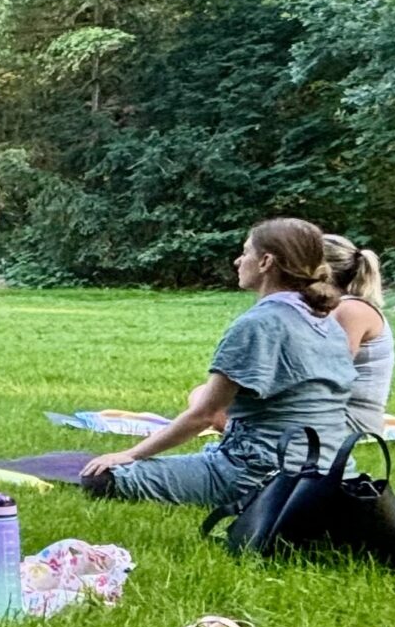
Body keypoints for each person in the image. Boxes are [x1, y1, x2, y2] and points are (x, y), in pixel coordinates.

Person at [82, 217, 357, 507]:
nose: (239, 261)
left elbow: (204, 415)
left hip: (260, 474)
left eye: (246, 252)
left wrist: (129, 455)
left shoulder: (259, 323)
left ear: (266, 262)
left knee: (102, 478)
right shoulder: (327, 323)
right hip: (331, 474)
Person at [323, 233, 393, 435]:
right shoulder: (336, 308)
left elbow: (330, 376)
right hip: (330, 413)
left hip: (352, 419)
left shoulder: (351, 310)